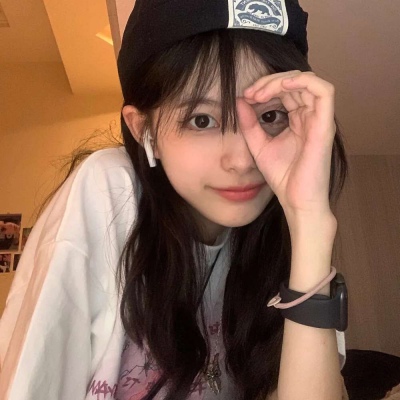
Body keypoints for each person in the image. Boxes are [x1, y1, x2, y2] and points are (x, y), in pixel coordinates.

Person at [0, 0, 350, 399]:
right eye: (202, 120)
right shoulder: (110, 191)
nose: (242, 160)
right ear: (143, 129)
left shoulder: (284, 226)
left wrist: (309, 221)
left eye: (270, 116)